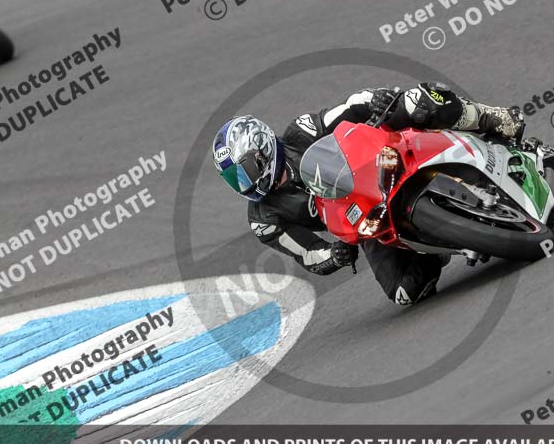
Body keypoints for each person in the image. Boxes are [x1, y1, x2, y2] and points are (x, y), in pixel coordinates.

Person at [212, 83, 524, 306]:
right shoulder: (264, 218)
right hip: (364, 217)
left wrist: (376, 100)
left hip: (378, 158)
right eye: (234, 179)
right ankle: (441, 242)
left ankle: (490, 118)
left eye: (245, 170)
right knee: (404, 293)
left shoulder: (300, 133)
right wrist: (333, 256)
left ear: (262, 148)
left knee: (417, 102)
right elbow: (307, 253)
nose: (244, 183)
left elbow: (349, 107)